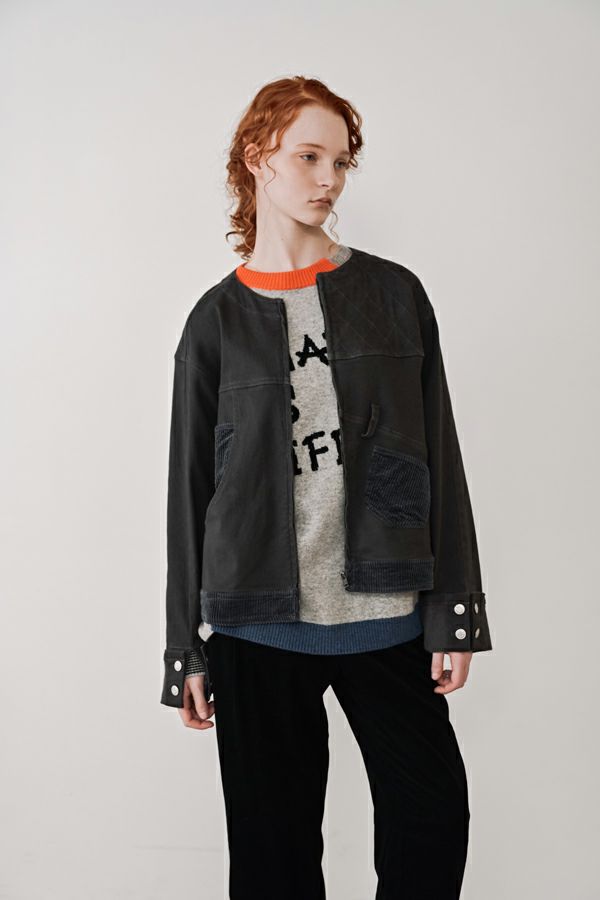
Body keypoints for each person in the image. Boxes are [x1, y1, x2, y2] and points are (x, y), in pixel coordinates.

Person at [160, 75, 492, 900]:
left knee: (431, 824)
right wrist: (183, 646)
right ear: (257, 158)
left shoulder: (393, 295)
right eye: (308, 157)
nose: (328, 180)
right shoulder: (215, 321)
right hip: (256, 622)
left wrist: (453, 605)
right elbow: (188, 490)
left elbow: (441, 453)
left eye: (341, 162)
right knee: (272, 862)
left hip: (386, 612)